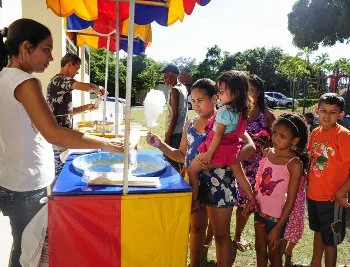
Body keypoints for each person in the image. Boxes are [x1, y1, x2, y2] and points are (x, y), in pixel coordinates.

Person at [0, 19, 123, 267]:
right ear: (26, 47)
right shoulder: (24, 82)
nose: (51, 56)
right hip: (27, 183)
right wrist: (107, 144)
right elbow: (55, 134)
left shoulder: (6, 76)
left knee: (23, 247)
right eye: (46, 49)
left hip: (15, 179)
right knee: (29, 252)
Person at [147, 77, 256, 267]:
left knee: (221, 235)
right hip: (195, 183)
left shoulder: (226, 118)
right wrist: (160, 145)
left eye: (200, 100)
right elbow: (182, 155)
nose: (195, 105)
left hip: (221, 185)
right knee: (196, 228)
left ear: (214, 98)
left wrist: (225, 161)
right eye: (192, 101)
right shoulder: (190, 124)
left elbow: (250, 146)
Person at [187, 70, 254, 213]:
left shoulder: (223, 112)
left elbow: (217, 135)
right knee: (240, 176)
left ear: (235, 93)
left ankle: (194, 201)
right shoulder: (240, 111)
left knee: (192, 170)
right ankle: (252, 198)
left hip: (217, 152)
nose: (219, 94)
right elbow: (239, 133)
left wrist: (209, 154)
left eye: (222, 91)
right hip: (232, 151)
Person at [254, 113, 308, 267]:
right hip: (259, 213)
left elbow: (291, 200)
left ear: (295, 140)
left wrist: (278, 227)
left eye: (282, 136)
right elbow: (259, 181)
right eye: (275, 133)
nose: (276, 138)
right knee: (259, 250)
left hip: (277, 219)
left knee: (274, 254)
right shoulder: (267, 152)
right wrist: (252, 199)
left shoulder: (294, 164)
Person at [233, 74, 276, 252]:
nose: (247, 93)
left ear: (258, 93)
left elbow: (276, 142)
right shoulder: (236, 113)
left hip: (257, 167)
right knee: (230, 202)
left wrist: (263, 143)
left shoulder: (268, 116)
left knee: (247, 204)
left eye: (250, 89)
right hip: (236, 163)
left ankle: (237, 236)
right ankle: (214, 235)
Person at [307, 93, 350, 267]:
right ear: (317, 110)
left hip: (332, 198)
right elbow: (316, 160)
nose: (327, 115)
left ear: (341, 114)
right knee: (318, 232)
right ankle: (315, 263)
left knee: (330, 240)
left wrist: (341, 192)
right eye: (323, 110)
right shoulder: (315, 132)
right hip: (314, 195)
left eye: (333, 112)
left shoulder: (344, 135)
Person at [46, 53, 104, 177]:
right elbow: (87, 87)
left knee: (63, 170)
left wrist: (86, 107)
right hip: (58, 136)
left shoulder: (61, 84)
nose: (77, 72)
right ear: (69, 65)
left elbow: (68, 111)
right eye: (76, 68)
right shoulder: (60, 80)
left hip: (62, 135)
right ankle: (58, 195)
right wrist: (97, 88)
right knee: (60, 173)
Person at [162, 63, 188, 172]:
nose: (164, 79)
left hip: (175, 133)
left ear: (172, 75)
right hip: (182, 131)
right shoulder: (183, 87)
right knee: (180, 160)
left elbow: (175, 115)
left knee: (172, 162)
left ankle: (176, 187)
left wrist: (168, 135)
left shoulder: (175, 90)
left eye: (165, 76)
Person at [281, 173, 307, 267]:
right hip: (287, 200)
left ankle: (288, 250)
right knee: (284, 230)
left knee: (297, 229)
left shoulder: (306, 164)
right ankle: (280, 256)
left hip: (298, 203)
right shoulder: (288, 162)